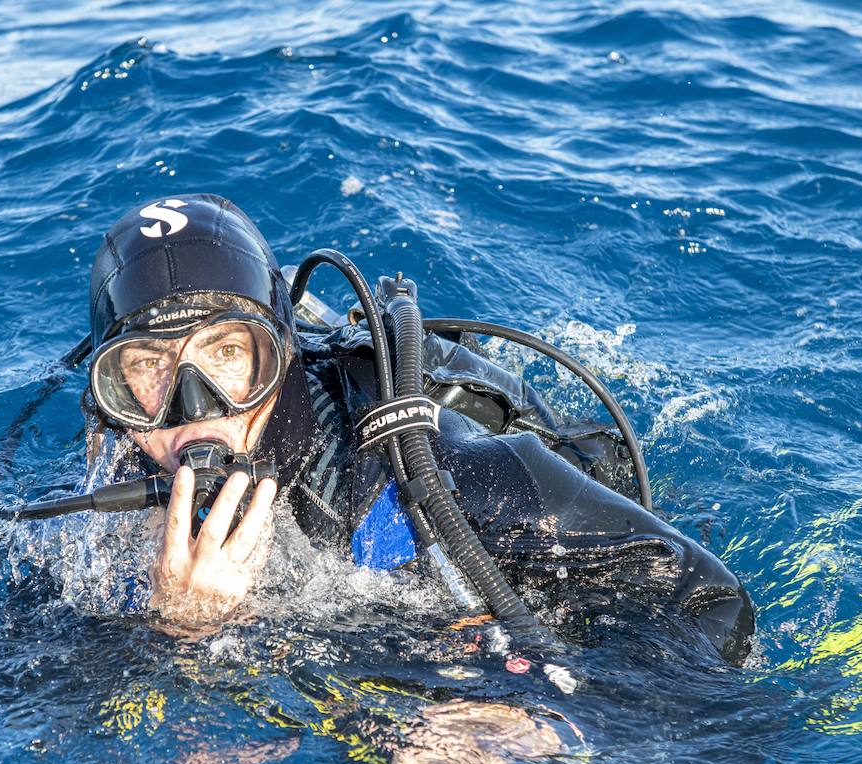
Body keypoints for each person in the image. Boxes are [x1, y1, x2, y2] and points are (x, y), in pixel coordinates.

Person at [82, 192, 755, 665]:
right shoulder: (108, 486)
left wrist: (549, 720)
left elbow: (713, 602)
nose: (195, 408)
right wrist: (183, 629)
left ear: (279, 354)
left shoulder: (427, 471)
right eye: (144, 367)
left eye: (229, 355)